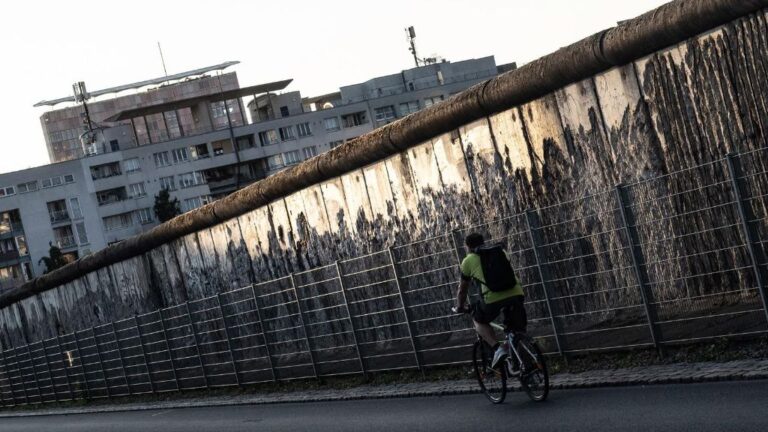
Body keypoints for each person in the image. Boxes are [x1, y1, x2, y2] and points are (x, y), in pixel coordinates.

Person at [453, 232, 527, 369]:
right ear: (484, 242)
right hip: (516, 293)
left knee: (478, 319)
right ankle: (526, 364)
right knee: (516, 330)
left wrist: (459, 306)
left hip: (493, 298)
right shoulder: (500, 252)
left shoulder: (468, 261)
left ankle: (497, 348)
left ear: (467, 247)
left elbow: (462, 290)